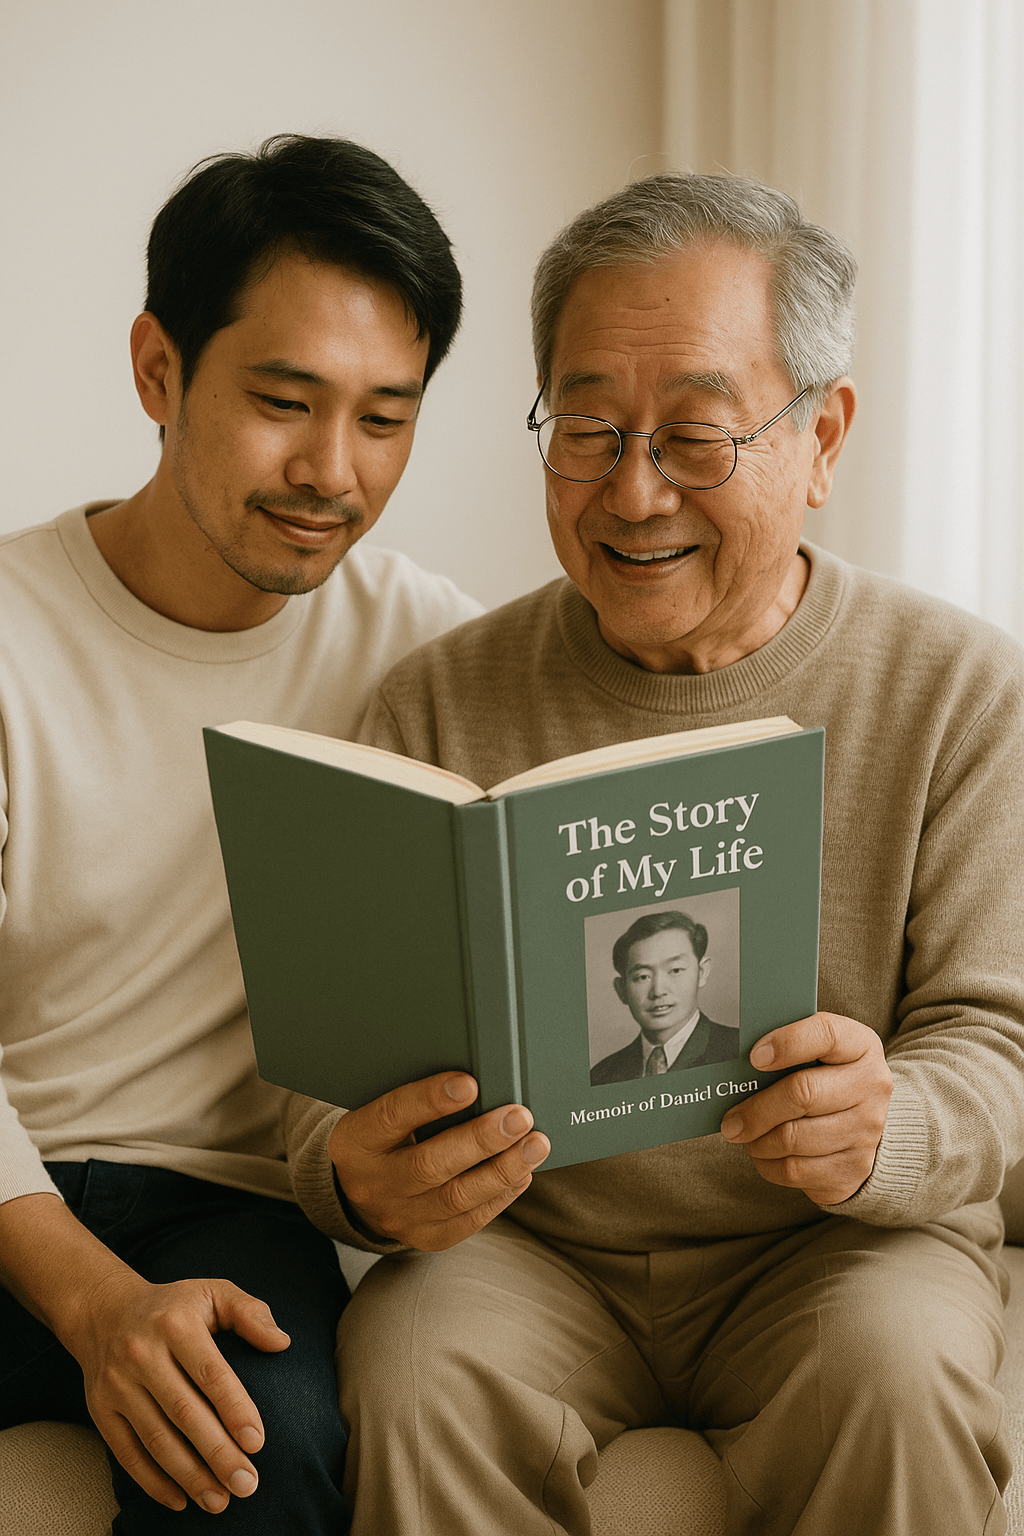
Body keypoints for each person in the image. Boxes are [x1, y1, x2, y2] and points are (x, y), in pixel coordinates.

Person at [286, 173, 1024, 1536]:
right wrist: (357, 1178)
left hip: (835, 1251)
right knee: (411, 1364)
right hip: (531, 1254)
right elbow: (330, 1074)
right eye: (585, 430)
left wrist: (890, 1126)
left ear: (822, 437)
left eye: (694, 436)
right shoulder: (434, 701)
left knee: (899, 1367)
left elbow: (998, 1038)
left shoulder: (961, 691)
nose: (632, 494)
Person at [0, 134, 481, 1532]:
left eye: (385, 419)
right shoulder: (15, 631)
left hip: (229, 1205)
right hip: (16, 1181)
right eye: (284, 402)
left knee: (259, 1446)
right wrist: (99, 1306)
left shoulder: (428, 652)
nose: (331, 471)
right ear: (158, 370)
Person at [590, 909, 737, 1085]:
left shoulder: (737, 1049)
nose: (658, 991)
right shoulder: (602, 1075)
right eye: (643, 977)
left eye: (675, 970)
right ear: (621, 990)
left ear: (702, 972)